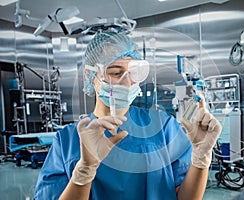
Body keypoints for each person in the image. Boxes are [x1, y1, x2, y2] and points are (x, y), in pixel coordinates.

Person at [34, 31, 222, 200]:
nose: (127, 81)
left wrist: (201, 156)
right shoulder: (68, 140)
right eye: (116, 72)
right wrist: (84, 171)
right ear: (90, 75)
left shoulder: (162, 126)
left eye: (133, 72)